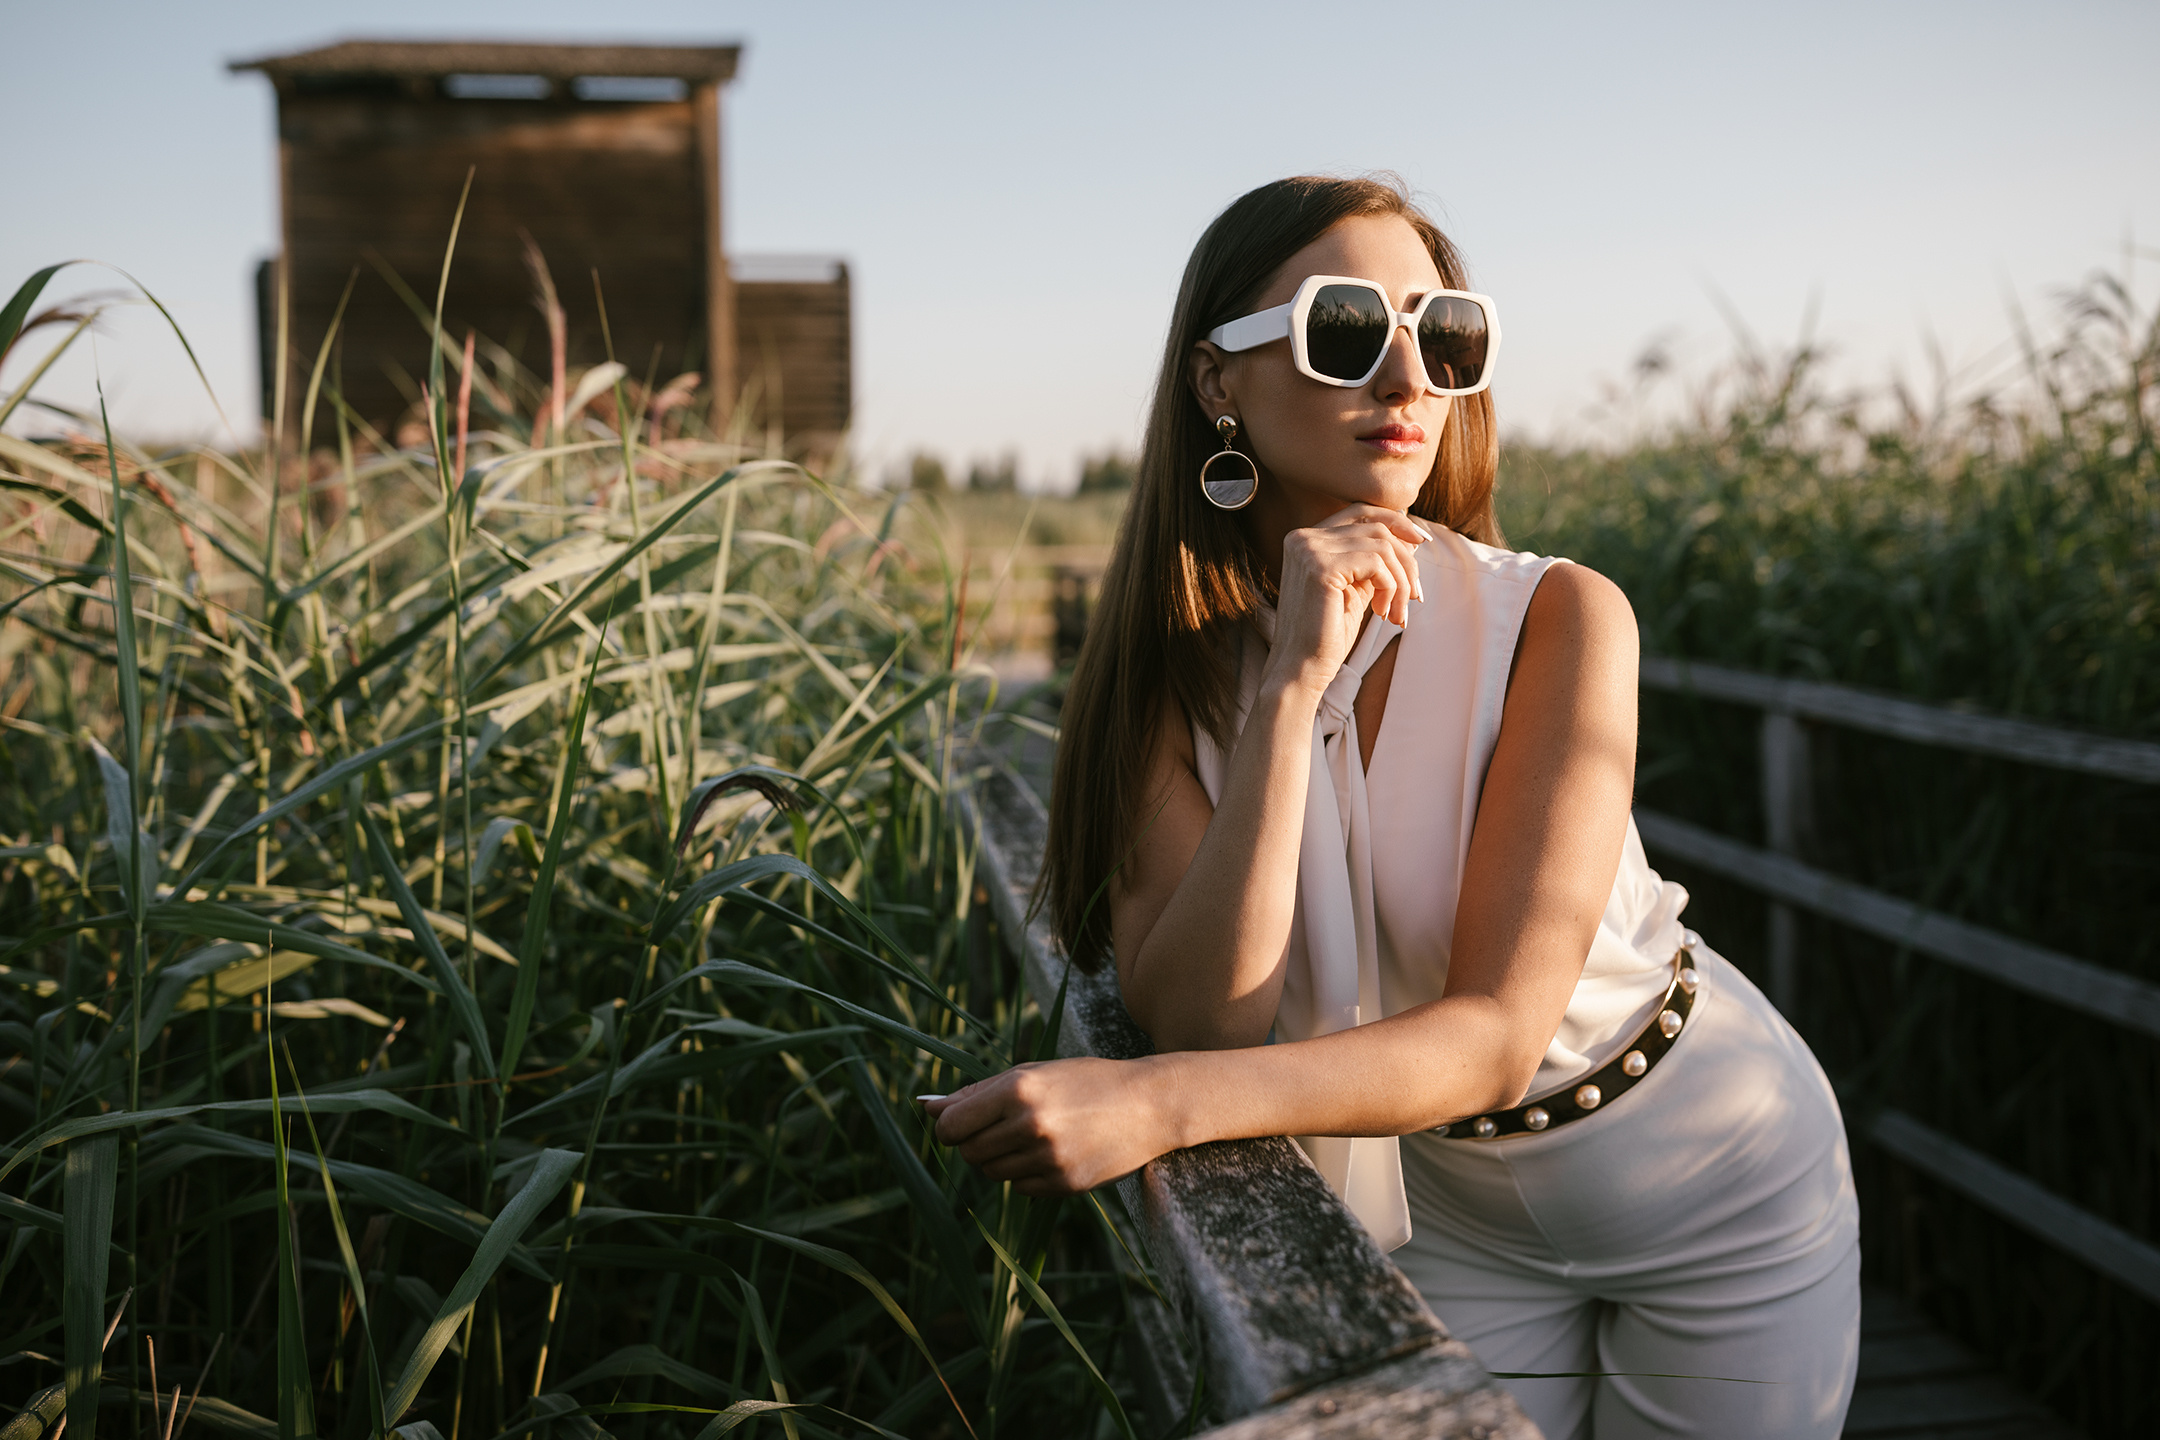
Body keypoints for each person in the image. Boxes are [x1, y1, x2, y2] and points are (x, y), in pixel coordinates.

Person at [927, 175, 1859, 1440]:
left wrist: (1149, 1104)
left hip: (1705, 1180)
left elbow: (1494, 1033)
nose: (1410, 375)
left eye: (1445, 333)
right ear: (1219, 383)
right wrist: (1292, 695)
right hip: (1454, 1209)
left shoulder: (1562, 617)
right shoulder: (1173, 675)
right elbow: (1205, 1012)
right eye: (1349, 328)